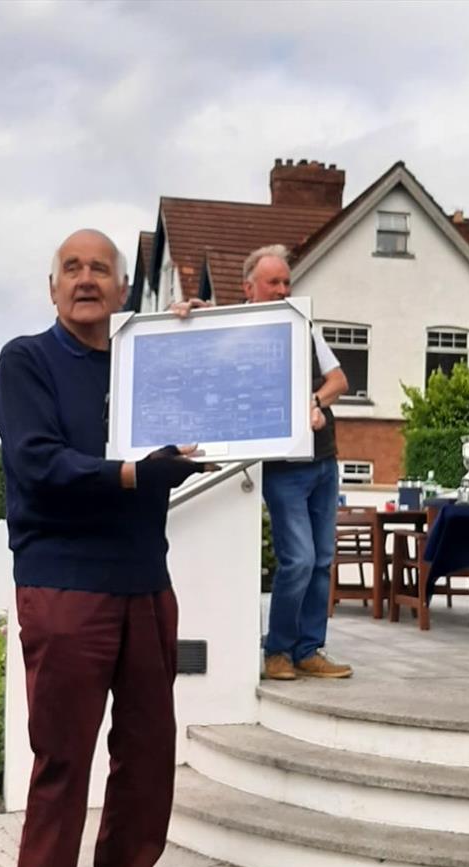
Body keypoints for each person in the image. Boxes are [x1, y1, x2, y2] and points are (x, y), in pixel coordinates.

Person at [0, 229, 212, 867]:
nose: (87, 279)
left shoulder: (148, 367)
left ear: (124, 292)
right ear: (53, 289)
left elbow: (166, 467)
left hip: (146, 580)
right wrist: (129, 472)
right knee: (64, 760)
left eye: (102, 270)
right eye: (72, 268)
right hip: (63, 584)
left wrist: (201, 347)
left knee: (149, 753)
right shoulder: (27, 361)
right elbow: (37, 462)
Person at [173, 244, 352, 680]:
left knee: (323, 560)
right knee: (298, 561)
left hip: (324, 460)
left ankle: (309, 650)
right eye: (274, 282)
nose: (283, 289)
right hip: (283, 469)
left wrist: (311, 400)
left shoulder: (304, 326)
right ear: (248, 288)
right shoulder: (232, 327)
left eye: (287, 282)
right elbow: (184, 340)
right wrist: (184, 311)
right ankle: (278, 653)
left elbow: (339, 381)